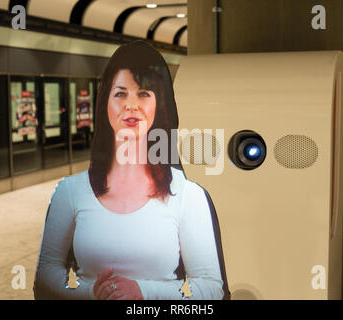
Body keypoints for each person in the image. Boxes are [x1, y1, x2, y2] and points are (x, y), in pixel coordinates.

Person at [33, 40, 227, 300]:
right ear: (105, 104)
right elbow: (45, 275)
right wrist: (93, 294)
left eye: (144, 93)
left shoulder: (188, 196)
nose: (131, 105)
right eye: (121, 93)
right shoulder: (69, 192)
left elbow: (212, 289)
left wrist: (143, 293)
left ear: (160, 105)